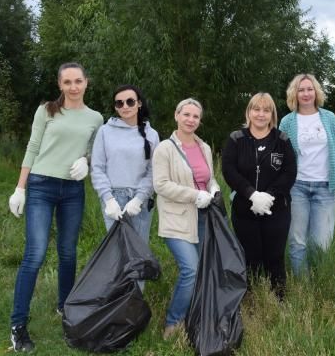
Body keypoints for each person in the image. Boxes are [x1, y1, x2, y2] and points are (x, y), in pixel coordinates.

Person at [7, 62, 103, 352]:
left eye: (78, 81)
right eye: (67, 82)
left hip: (72, 190)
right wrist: (20, 187)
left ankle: (65, 308)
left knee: (67, 252)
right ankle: (18, 325)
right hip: (41, 185)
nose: (73, 87)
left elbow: (94, 151)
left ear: (86, 82)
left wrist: (86, 161)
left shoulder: (96, 118)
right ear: (60, 85)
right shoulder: (47, 110)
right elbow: (33, 147)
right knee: (35, 255)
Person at [152, 98, 220, 339]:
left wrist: (213, 188)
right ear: (176, 116)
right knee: (190, 269)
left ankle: (197, 314)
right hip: (176, 220)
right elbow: (160, 185)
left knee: (202, 269)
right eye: (186, 115)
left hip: (204, 218)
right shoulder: (164, 148)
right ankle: (173, 322)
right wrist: (195, 195)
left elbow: (208, 178)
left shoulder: (204, 148)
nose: (191, 120)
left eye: (195, 116)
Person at [222, 92, 297, 299]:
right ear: (249, 112)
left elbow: (289, 172)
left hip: (277, 208)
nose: (261, 114)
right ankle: (251, 299)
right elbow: (229, 170)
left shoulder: (282, 140)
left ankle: (279, 299)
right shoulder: (236, 139)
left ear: (272, 114)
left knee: (274, 257)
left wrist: (269, 196)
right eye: (256, 109)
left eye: (266, 110)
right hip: (244, 209)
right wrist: (252, 194)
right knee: (250, 257)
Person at [279, 74, 335, 275]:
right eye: (301, 90)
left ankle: (319, 283)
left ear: (316, 92)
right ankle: (303, 286)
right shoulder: (287, 121)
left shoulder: (329, 118)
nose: (306, 93)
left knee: (321, 242)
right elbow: (280, 156)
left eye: (309, 89)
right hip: (297, 187)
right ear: (295, 94)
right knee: (297, 240)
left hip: (326, 188)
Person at [91, 84, 159, 241]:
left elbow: (153, 170)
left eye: (130, 101)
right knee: (117, 248)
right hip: (113, 198)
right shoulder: (105, 131)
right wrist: (108, 199)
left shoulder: (152, 134)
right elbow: (97, 168)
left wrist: (139, 198)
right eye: (119, 103)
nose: (125, 106)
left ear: (139, 103)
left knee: (139, 250)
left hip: (140, 200)